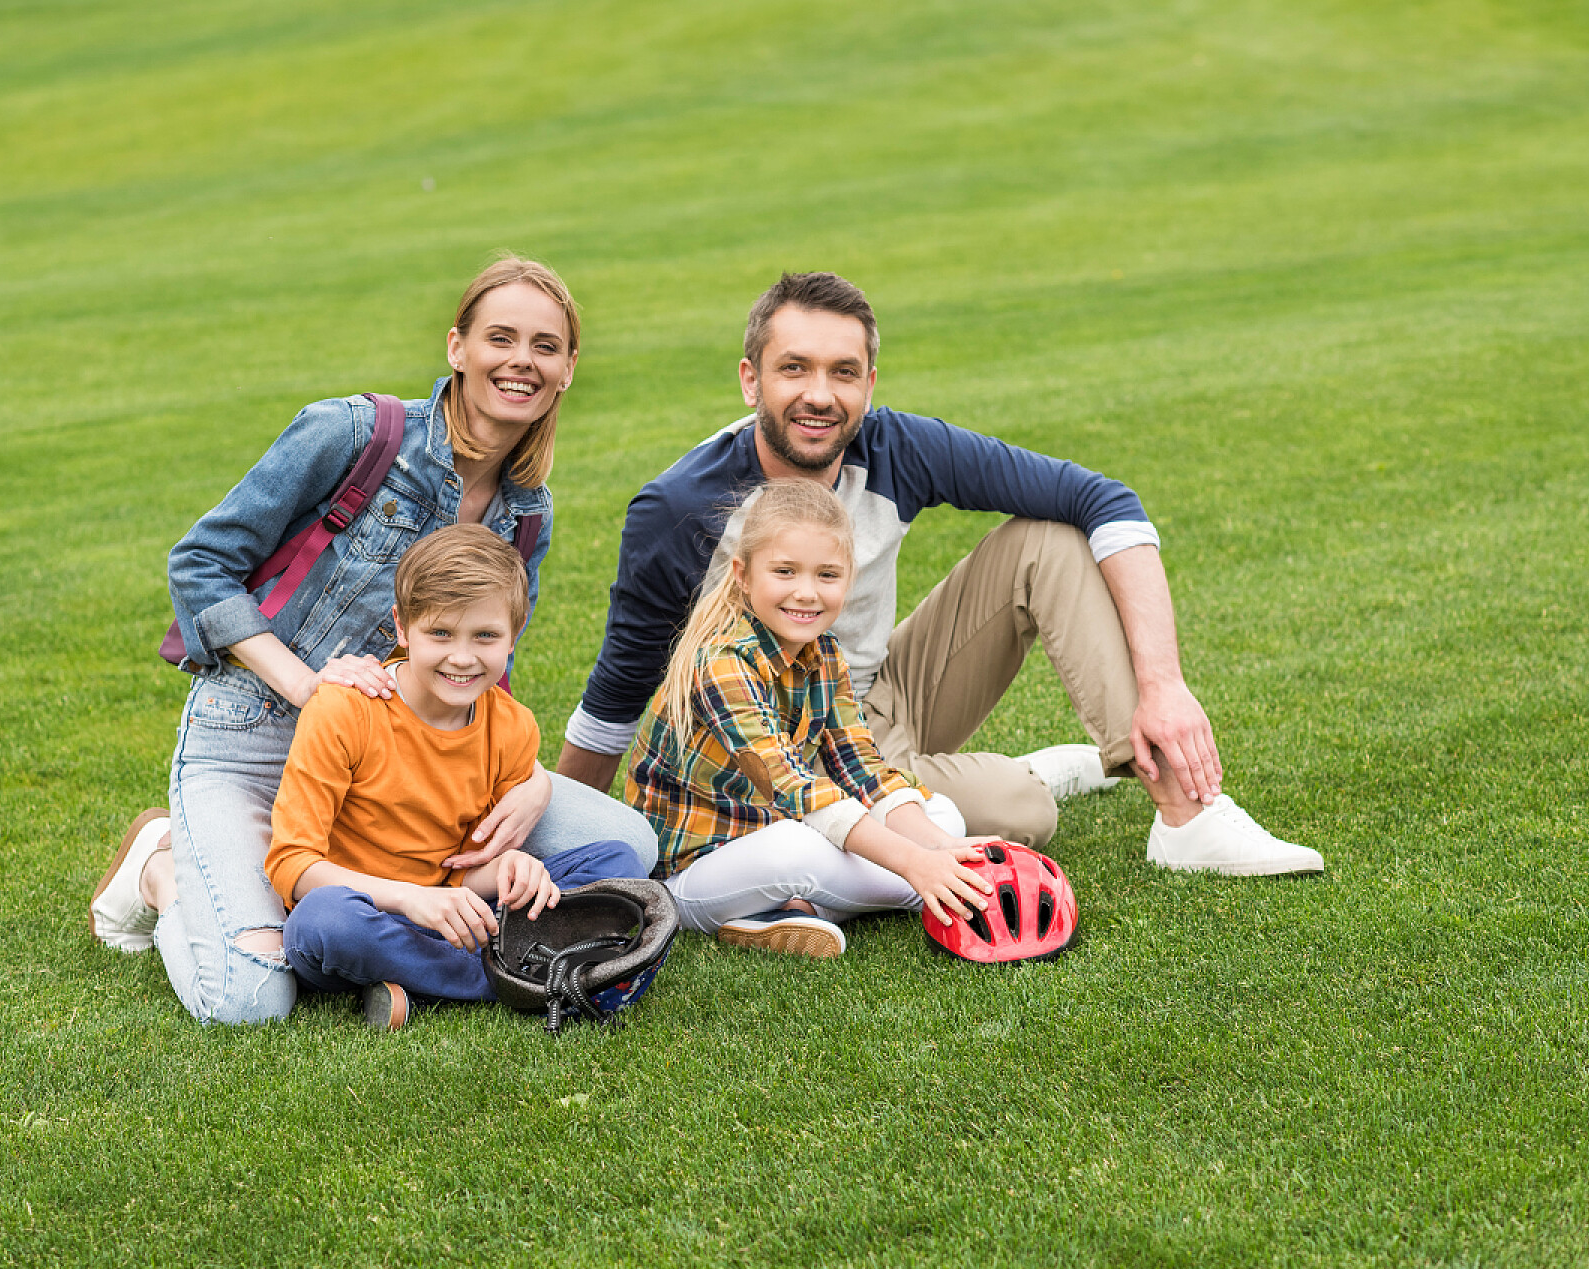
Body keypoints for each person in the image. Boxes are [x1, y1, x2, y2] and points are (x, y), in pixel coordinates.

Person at [559, 271, 1322, 879]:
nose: (819, 394)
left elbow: (1104, 500)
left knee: (1048, 540)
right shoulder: (679, 506)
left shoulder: (897, 449)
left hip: (871, 700)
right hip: (765, 747)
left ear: (870, 383)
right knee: (1024, 813)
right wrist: (565, 842)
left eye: (843, 372)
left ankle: (1188, 816)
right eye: (794, 368)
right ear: (751, 380)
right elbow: (618, 690)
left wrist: (1164, 686)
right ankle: (1025, 774)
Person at [89, 258, 658, 1025]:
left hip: (405, 761)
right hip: (255, 738)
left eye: (544, 346)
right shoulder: (355, 432)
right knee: (248, 1001)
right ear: (457, 347)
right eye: (500, 338)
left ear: (567, 369)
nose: (521, 360)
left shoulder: (528, 512)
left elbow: (492, 666)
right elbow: (199, 565)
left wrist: (528, 783)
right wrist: (307, 685)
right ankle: (162, 869)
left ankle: (395, 956)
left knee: (628, 843)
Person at [265, 525, 645, 1028]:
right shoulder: (343, 710)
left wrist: (512, 869)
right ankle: (514, 979)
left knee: (618, 858)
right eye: (440, 633)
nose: (462, 658)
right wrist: (411, 899)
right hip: (364, 909)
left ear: (516, 628)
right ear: (402, 627)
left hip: (453, 911)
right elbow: (294, 865)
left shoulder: (512, 727)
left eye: (485, 636)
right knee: (321, 925)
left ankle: (414, 982)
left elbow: (462, 866)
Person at [626, 479, 996, 959]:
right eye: (784, 571)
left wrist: (941, 846)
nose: (806, 593)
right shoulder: (722, 661)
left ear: (849, 578)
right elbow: (789, 786)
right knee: (798, 849)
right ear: (743, 574)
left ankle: (789, 911)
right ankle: (908, 888)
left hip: (772, 831)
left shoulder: (824, 653)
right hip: (692, 873)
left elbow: (859, 765)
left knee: (944, 815)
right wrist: (917, 863)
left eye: (827, 575)